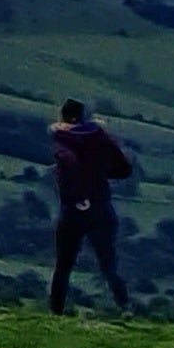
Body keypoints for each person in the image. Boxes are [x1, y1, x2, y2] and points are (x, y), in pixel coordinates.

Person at [48, 100, 132, 316]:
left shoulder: (61, 138)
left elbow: (69, 165)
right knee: (108, 263)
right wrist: (100, 174)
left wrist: (78, 197)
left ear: (63, 116)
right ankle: (125, 306)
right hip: (101, 206)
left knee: (63, 265)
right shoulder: (99, 136)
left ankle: (55, 312)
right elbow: (124, 168)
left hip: (73, 209)